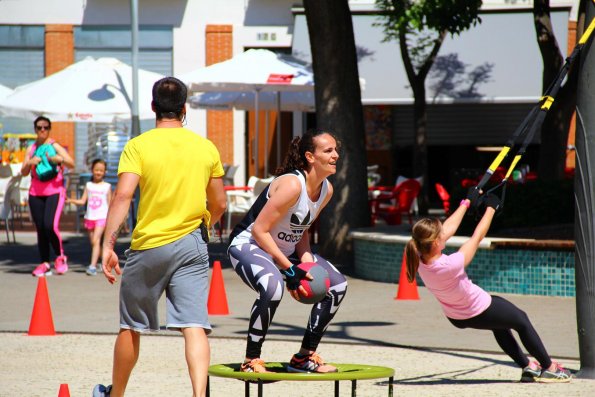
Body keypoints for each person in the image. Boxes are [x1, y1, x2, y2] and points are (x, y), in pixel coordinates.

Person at [92, 77, 227, 397]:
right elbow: (219, 202)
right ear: (184, 109)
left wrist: (108, 245)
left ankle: (117, 394)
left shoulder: (138, 145)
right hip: (193, 242)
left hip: (149, 245)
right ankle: (199, 394)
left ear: (153, 107)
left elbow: (123, 196)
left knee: (131, 326)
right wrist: (208, 223)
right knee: (194, 325)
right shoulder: (205, 146)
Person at [406, 192, 572, 383]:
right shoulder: (451, 265)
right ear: (436, 242)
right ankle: (549, 368)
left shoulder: (418, 259)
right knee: (521, 320)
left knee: (499, 324)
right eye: (441, 234)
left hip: (456, 316)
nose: (445, 232)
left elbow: (447, 229)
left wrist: (466, 202)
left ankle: (528, 367)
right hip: (476, 308)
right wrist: (491, 208)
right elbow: (477, 236)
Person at [227, 128, 348, 374]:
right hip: (249, 244)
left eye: (336, 149)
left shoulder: (326, 190)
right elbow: (260, 231)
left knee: (337, 286)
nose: (336, 155)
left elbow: (301, 228)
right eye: (328, 150)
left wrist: (306, 261)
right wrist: (290, 269)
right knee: (273, 287)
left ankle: (303, 358)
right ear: (310, 157)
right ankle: (251, 360)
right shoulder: (293, 184)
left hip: (285, 249)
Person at [21, 116, 74, 277]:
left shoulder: (54, 145)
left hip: (55, 191)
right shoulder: (31, 148)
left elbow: (71, 164)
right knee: (40, 229)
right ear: (35, 129)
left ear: (49, 129)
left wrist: (60, 159)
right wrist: (30, 163)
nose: (42, 130)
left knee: (50, 225)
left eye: (45, 127)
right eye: (39, 127)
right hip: (35, 192)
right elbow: (23, 172)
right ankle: (44, 263)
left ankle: (60, 256)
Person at [66, 158, 112, 276]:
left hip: (102, 217)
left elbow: (110, 203)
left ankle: (92, 266)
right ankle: (105, 263)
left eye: (101, 170)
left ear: (105, 172)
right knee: (93, 242)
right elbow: (82, 201)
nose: (98, 172)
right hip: (90, 217)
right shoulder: (89, 185)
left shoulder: (107, 186)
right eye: (96, 170)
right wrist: (70, 200)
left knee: (96, 240)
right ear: (92, 170)